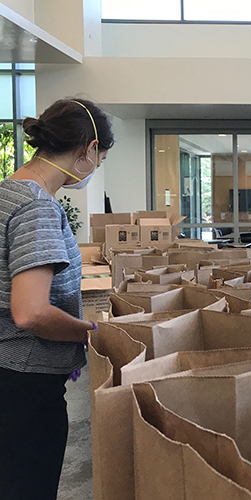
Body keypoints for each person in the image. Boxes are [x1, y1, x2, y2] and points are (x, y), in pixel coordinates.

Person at [0, 98, 114, 500]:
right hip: (24, 382)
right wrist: (92, 333)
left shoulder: (6, 194)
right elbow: (30, 312)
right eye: (100, 158)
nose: (97, 168)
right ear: (88, 149)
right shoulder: (37, 207)